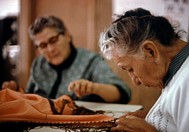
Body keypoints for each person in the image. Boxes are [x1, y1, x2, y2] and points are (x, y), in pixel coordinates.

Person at [99, 8, 189, 131]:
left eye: (130, 69)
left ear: (150, 51)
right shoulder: (181, 68)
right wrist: (153, 118)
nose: (135, 81)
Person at [2, 15, 131, 104]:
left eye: (53, 40)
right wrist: (16, 93)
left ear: (67, 35)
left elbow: (122, 93)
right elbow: (29, 98)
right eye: (42, 45)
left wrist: (93, 87)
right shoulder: (38, 64)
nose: (50, 49)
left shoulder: (91, 61)